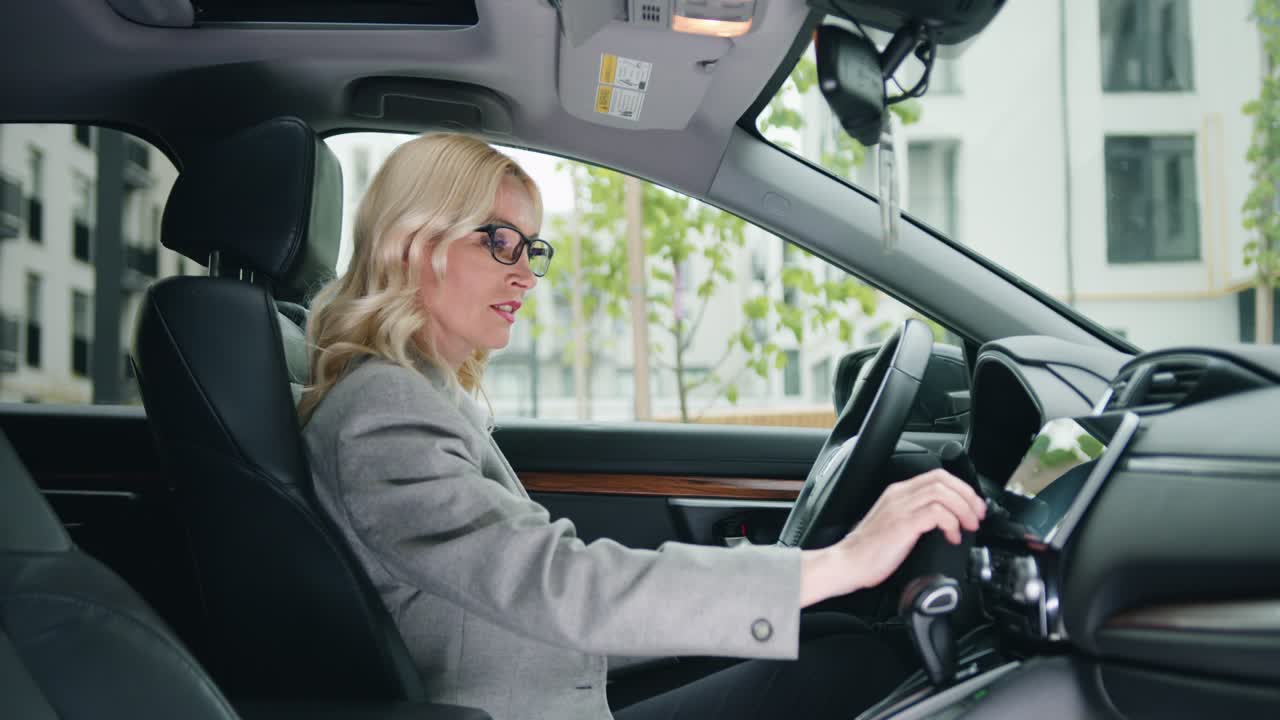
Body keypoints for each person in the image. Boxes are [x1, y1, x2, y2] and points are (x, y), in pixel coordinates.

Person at [298, 133, 985, 720]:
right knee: (850, 667)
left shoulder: (420, 393)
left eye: (530, 250)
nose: (525, 277)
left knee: (833, 639)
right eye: (500, 241)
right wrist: (840, 561)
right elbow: (553, 583)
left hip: (553, 684)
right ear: (413, 243)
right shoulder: (383, 408)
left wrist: (793, 589)